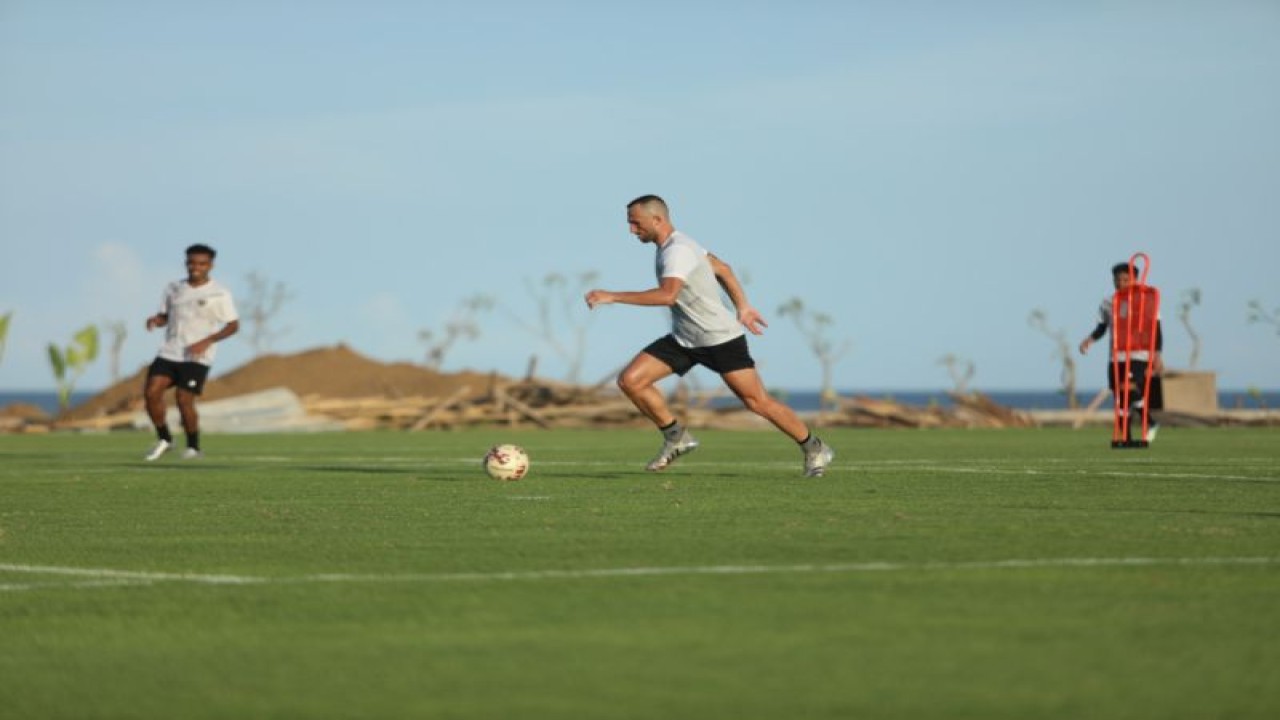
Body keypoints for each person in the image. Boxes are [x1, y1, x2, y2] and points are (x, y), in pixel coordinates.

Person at [584, 195, 835, 476]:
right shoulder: (678, 245)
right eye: (630, 223)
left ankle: (815, 447)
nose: (631, 230)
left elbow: (667, 296)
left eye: (635, 223)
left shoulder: (677, 251)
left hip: (719, 339)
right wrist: (743, 306)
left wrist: (612, 296)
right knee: (631, 380)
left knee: (757, 402)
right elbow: (723, 269)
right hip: (685, 339)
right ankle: (677, 437)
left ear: (657, 219)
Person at [142, 244, 240, 461]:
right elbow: (166, 316)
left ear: (210, 266)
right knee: (151, 393)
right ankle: (165, 439)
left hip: (197, 357)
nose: (196, 267)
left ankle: (193, 447)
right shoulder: (173, 288)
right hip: (170, 351)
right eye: (192, 262)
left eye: (202, 264)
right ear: (186, 263)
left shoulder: (220, 293)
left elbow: (233, 325)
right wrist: (156, 320)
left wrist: (207, 341)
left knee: (183, 399)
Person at [1079, 262, 1163, 444]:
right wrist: (1089, 340)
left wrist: (1157, 354)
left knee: (1128, 387)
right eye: (1117, 280)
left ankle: (1150, 422)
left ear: (1135, 280)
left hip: (1139, 354)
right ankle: (1127, 438)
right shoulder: (1108, 302)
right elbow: (1102, 327)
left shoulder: (1147, 300)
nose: (1121, 283)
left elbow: (1156, 329)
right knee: (1120, 398)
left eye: (1126, 280)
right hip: (1116, 356)